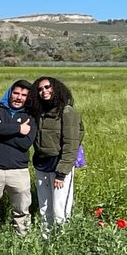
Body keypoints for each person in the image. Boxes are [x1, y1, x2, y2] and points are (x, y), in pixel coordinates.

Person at [0, 80, 37, 235]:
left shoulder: (30, 116)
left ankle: (23, 241)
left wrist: (0, 132)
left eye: (24, 95)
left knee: (22, 211)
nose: (19, 98)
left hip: (18, 171)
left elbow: (25, 143)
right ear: (10, 92)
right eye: (16, 93)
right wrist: (18, 128)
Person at [30, 75, 83, 235]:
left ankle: (62, 242)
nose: (43, 91)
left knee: (60, 209)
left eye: (47, 87)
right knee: (44, 208)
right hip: (41, 164)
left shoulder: (66, 112)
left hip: (60, 165)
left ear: (56, 88)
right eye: (39, 89)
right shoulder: (38, 112)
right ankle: (45, 241)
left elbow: (72, 143)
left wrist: (62, 172)